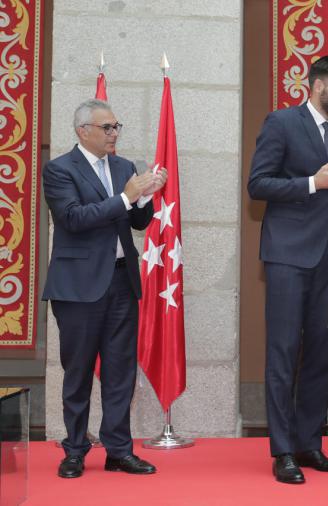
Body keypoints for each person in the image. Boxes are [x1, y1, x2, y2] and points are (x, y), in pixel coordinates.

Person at [248, 56, 328, 484]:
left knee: (322, 355)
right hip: (287, 255)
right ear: (317, 85)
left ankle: (309, 444)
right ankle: (282, 450)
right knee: (283, 353)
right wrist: (310, 183)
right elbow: (258, 184)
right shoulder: (282, 123)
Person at [42, 99, 167, 478]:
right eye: (107, 127)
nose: (115, 134)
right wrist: (127, 196)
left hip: (120, 281)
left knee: (120, 372)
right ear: (84, 131)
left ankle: (119, 450)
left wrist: (144, 196)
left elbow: (138, 223)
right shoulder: (60, 169)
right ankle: (75, 450)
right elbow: (73, 218)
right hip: (78, 287)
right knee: (78, 371)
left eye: (117, 126)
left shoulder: (124, 167)